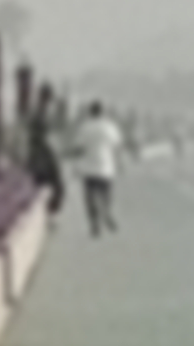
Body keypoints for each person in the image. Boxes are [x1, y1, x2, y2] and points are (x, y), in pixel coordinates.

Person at [73, 99, 125, 236]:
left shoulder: (85, 127)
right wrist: (120, 163)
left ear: (91, 112)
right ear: (103, 112)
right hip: (106, 167)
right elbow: (117, 147)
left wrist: (75, 163)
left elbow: (79, 148)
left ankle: (94, 223)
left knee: (89, 197)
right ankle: (106, 212)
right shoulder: (110, 127)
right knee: (106, 194)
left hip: (89, 168)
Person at [24, 85, 67, 221]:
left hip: (35, 153)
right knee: (57, 186)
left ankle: (45, 213)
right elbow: (54, 127)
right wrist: (61, 111)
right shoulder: (41, 113)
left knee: (40, 185)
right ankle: (49, 213)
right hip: (43, 153)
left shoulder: (36, 111)